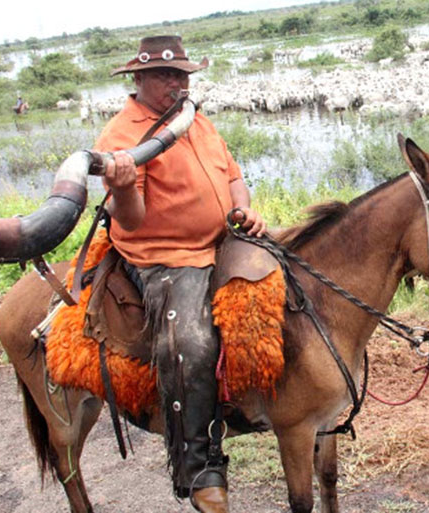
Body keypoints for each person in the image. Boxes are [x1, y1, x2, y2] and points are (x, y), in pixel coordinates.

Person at [94, 35, 266, 513]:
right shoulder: (122, 136)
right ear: (140, 79)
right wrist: (123, 186)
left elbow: (232, 175)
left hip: (222, 240)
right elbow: (128, 219)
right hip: (167, 255)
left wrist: (243, 210)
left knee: (295, 287)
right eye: (166, 75)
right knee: (191, 341)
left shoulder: (196, 118)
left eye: (183, 74)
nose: (177, 83)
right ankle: (199, 466)